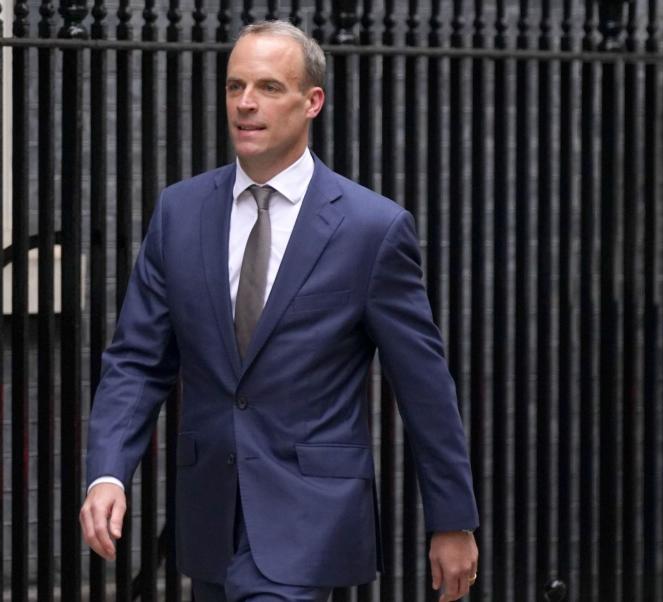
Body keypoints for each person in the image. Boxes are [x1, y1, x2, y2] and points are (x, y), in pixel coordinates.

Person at [80, 20, 479, 602]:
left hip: (308, 522)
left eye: (268, 87)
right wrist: (109, 470)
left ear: (312, 101)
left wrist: (452, 518)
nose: (245, 103)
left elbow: (423, 386)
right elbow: (138, 360)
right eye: (234, 86)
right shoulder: (180, 211)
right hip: (210, 518)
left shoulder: (372, 229)